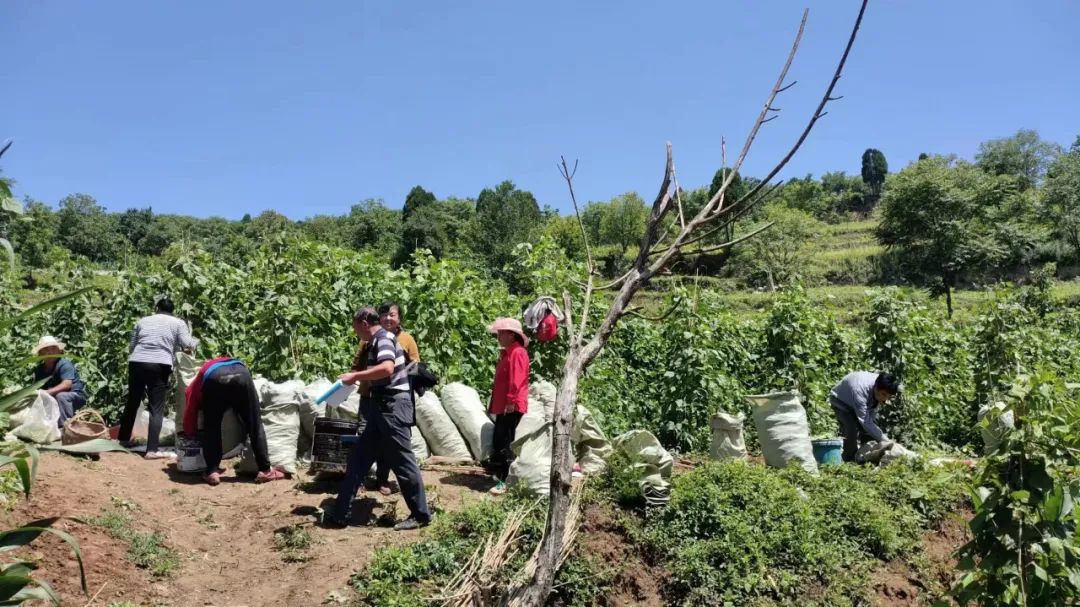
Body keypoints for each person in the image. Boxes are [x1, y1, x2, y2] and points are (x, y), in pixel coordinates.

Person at [328, 307, 431, 531]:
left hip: (392, 407)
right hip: (380, 406)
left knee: (403, 462)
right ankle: (340, 513)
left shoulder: (383, 339)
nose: (357, 334)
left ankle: (421, 515)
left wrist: (355, 376)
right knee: (359, 459)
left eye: (357, 328)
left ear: (365, 323)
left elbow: (386, 368)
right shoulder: (375, 341)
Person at [183, 357, 285, 486]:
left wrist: (189, 432)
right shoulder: (228, 362)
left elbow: (190, 406)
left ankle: (212, 471)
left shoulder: (199, 380)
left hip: (214, 378)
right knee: (254, 424)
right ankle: (265, 470)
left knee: (212, 427)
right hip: (242, 374)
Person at [117, 298, 199, 460]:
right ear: (173, 310)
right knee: (157, 407)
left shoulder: (143, 320)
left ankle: (122, 441)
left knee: (132, 401)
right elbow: (187, 344)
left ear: (156, 308)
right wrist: (195, 340)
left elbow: (132, 345)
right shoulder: (177, 323)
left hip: (137, 361)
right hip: (160, 364)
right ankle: (152, 450)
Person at [486, 317, 530, 496]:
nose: (498, 336)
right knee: (501, 440)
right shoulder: (508, 352)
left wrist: (511, 401)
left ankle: (506, 481)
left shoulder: (517, 353)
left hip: (511, 405)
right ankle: (502, 477)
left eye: (501, 333)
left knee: (506, 443)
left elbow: (517, 379)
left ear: (511, 335)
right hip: (504, 404)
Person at [829, 371, 901, 463]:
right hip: (841, 401)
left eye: (888, 396)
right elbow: (865, 422)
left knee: (870, 430)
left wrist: (879, 436)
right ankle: (849, 460)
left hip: (861, 399)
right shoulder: (860, 389)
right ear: (876, 388)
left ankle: (867, 457)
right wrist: (886, 440)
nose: (885, 398)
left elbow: (870, 420)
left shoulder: (881, 385)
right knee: (851, 429)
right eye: (884, 394)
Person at [30, 336, 87, 428]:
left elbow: (67, 385)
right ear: (41, 353)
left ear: (59, 351)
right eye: (46, 349)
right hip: (55, 397)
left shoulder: (64, 364)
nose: (50, 352)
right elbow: (37, 388)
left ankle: (65, 427)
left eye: (53, 348)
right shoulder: (39, 370)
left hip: (75, 396)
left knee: (61, 396)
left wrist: (46, 392)